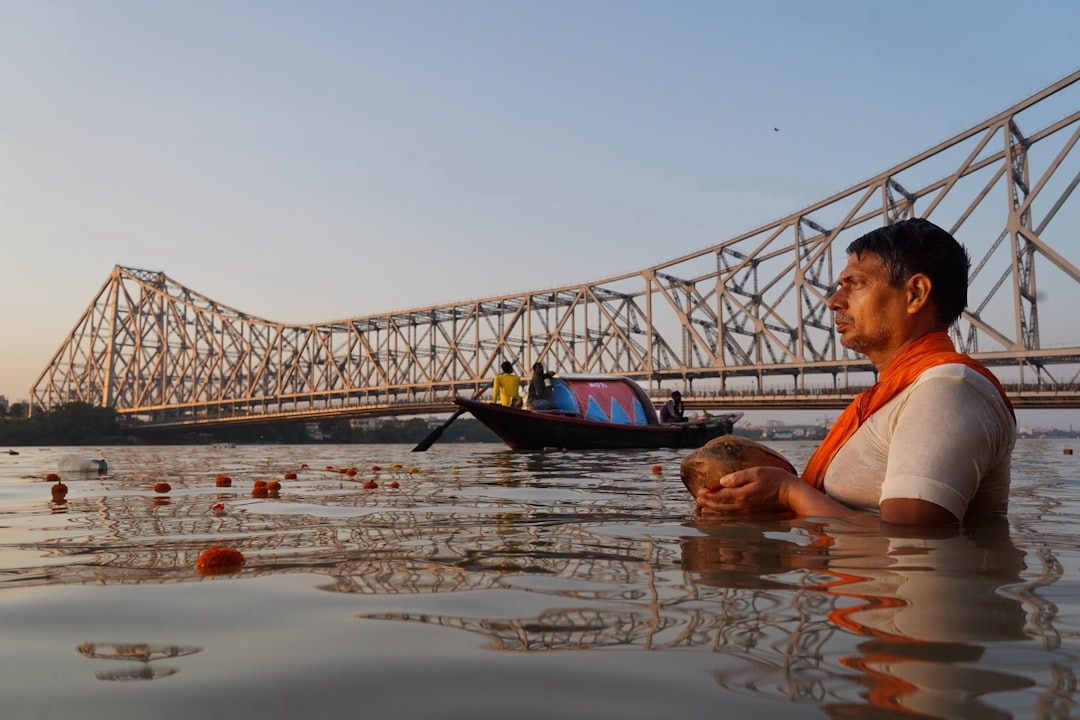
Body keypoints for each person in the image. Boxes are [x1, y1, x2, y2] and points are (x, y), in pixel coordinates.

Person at [695, 218, 1016, 527]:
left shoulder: (947, 389)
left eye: (856, 284)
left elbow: (915, 546)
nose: (834, 302)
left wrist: (787, 492)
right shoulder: (899, 394)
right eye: (839, 287)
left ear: (916, 293)